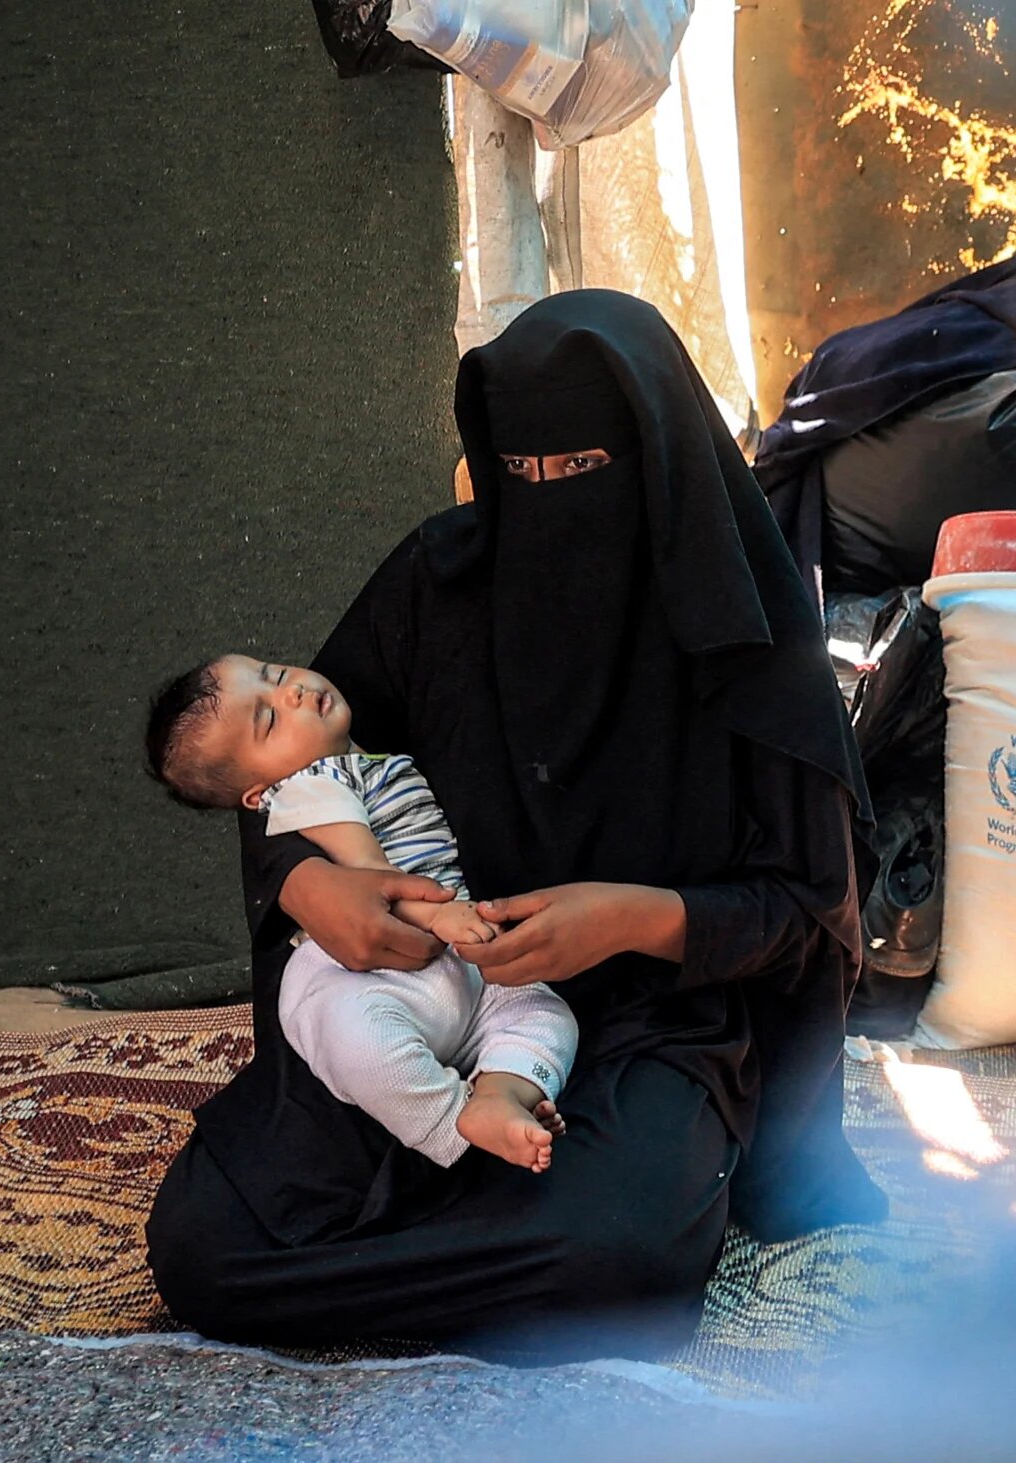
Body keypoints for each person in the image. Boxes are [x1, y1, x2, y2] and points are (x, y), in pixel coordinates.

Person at [146, 290, 885, 1362]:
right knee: (200, 1245)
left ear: (659, 459)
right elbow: (286, 757)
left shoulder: (743, 636)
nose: (548, 503)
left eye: (581, 472)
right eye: (522, 475)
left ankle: (434, 1270)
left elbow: (801, 909)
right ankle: (502, 1270)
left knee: (621, 1242)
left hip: (649, 1021)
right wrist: (315, 889)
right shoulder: (440, 583)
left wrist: (631, 918)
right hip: (425, 992)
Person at [144, 652, 578, 1171]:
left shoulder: (370, 763)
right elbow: (373, 878)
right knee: (356, 1031)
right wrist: (443, 917)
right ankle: (446, 1120)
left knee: (544, 1010)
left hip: (451, 960)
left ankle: (498, 1094)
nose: (294, 693)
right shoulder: (310, 788)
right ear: (258, 795)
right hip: (376, 971)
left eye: (276, 675)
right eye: (271, 718)